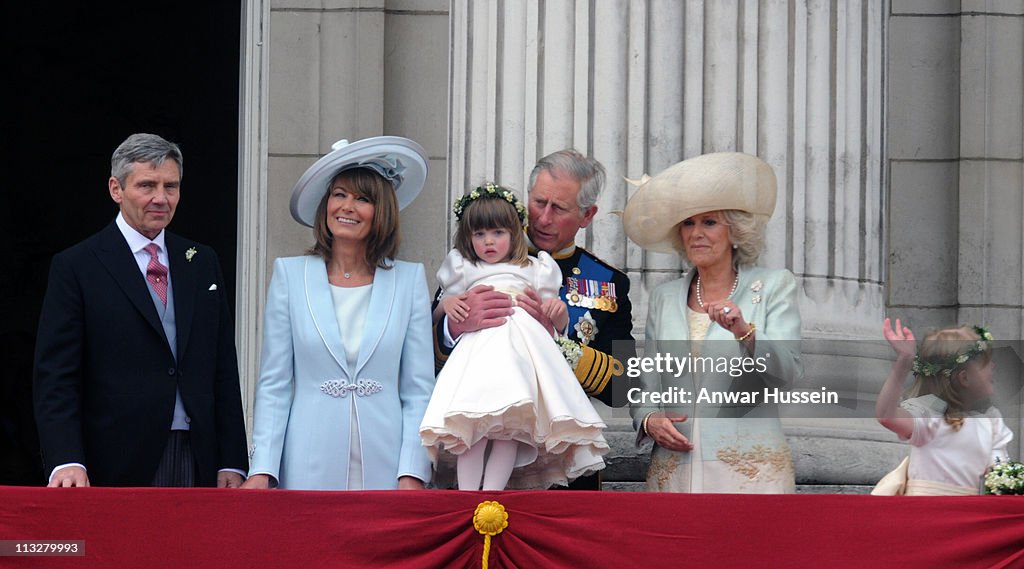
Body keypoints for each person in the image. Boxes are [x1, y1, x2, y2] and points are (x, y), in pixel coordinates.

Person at [33, 133, 248, 487]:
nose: (161, 198)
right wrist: (66, 459)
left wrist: (233, 460)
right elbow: (56, 375)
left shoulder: (201, 261)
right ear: (116, 189)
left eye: (171, 186)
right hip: (113, 458)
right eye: (147, 185)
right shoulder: (77, 266)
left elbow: (223, 366)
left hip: (199, 457)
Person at [433, 150, 635, 490]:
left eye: (559, 209)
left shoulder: (606, 282)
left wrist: (555, 345)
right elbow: (422, 351)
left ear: (587, 215)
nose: (542, 218)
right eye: (539, 202)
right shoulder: (479, 256)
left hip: (561, 476)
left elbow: (623, 385)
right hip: (477, 455)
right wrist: (456, 327)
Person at [243, 137, 435, 490]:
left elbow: (419, 389)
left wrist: (412, 471)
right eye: (339, 194)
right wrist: (262, 468)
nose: (347, 207)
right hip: (307, 461)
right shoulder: (290, 275)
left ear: (382, 211)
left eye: (363, 198)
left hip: (387, 463)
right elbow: (274, 384)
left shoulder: (409, 281)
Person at [622, 152, 803, 493]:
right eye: (688, 223)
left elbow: (788, 373)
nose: (696, 233)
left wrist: (745, 332)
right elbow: (647, 379)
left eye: (709, 222)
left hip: (749, 472)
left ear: (734, 230)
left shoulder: (774, 285)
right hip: (676, 470)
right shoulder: (664, 297)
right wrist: (648, 418)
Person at [873, 319, 1013, 495]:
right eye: (985, 364)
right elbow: (887, 416)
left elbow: (1000, 476)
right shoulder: (929, 414)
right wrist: (904, 361)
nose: (993, 366)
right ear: (964, 378)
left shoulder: (992, 422)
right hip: (924, 512)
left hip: (965, 514)